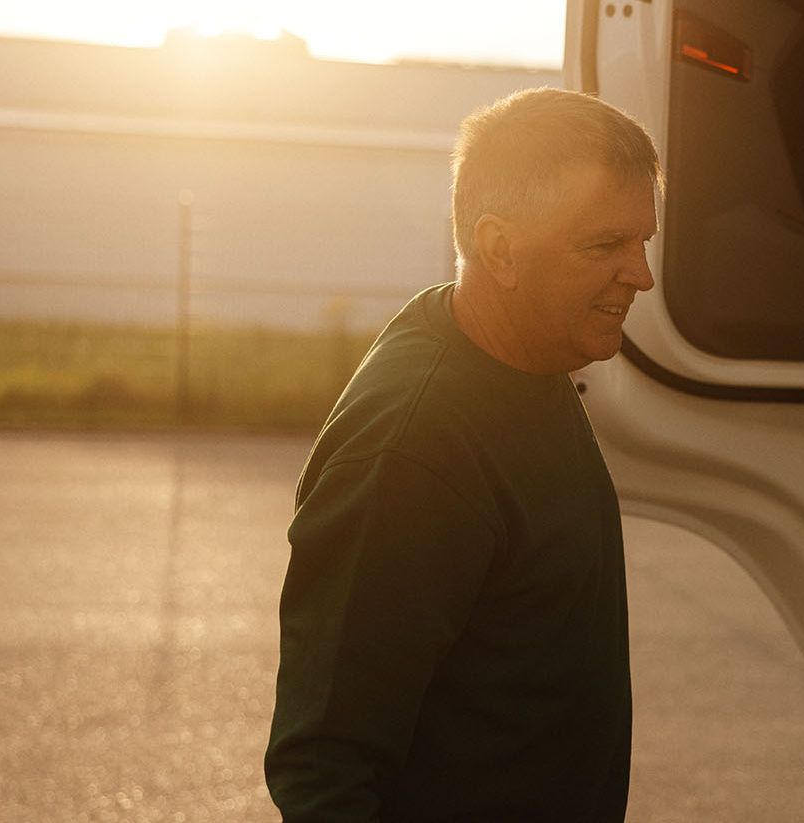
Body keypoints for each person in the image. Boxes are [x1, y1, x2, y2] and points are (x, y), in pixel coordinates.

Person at [264, 87, 660, 822]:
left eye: (643, 241)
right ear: (499, 248)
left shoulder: (531, 357)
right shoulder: (414, 449)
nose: (641, 274)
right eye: (604, 245)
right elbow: (324, 765)